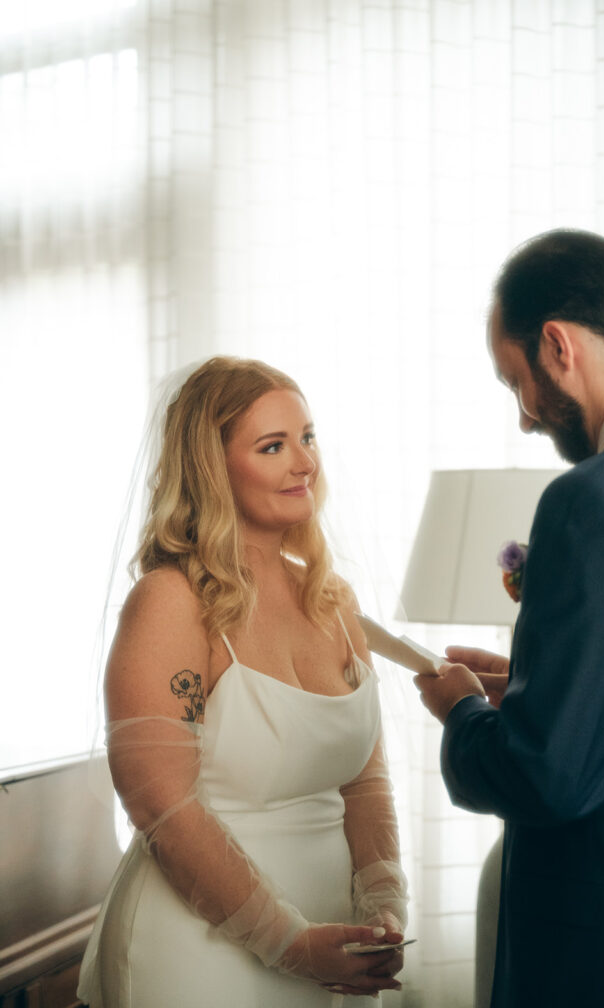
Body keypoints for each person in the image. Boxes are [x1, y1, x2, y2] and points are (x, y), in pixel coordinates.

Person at [77, 356, 407, 1007]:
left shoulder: (331, 599)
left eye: (307, 437)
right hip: (198, 957)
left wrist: (384, 907)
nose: (304, 462)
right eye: (272, 445)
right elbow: (161, 809)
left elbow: (364, 781)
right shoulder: (170, 601)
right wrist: (287, 942)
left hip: (334, 951)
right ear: (212, 466)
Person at [414, 229, 604, 1008]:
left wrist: (462, 710)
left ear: (556, 344)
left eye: (514, 381)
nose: (527, 418)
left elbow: (548, 778)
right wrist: (535, 687)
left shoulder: (592, 499)